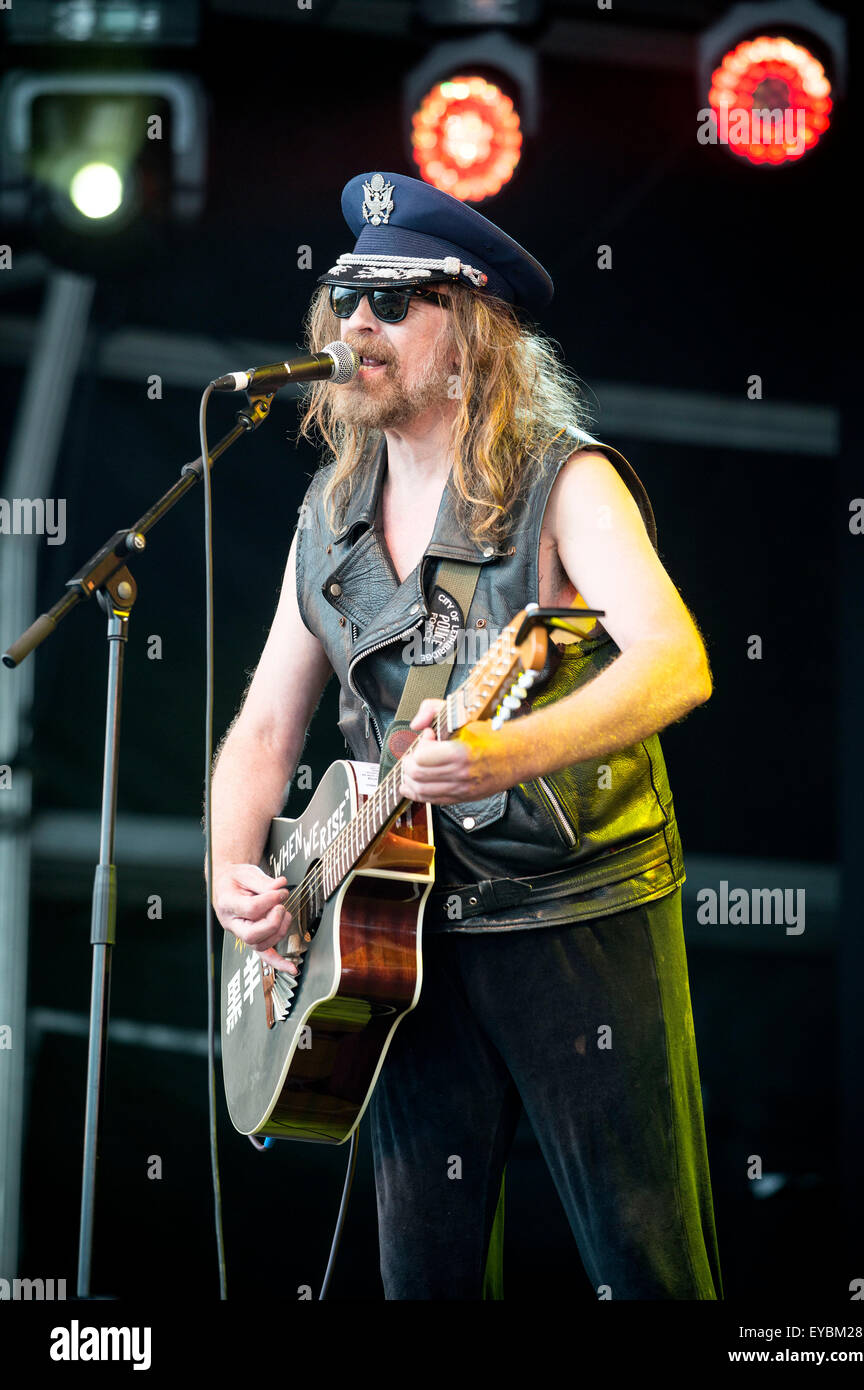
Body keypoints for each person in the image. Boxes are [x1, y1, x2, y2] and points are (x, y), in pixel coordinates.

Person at [210, 170, 723, 1301]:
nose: (357, 324)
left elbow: (676, 662)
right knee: (423, 1277)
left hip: (575, 914)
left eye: (396, 303)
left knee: (645, 1262)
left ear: (471, 334)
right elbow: (262, 725)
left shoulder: (565, 481)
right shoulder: (328, 514)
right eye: (348, 296)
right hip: (396, 934)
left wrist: (503, 754)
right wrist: (233, 874)